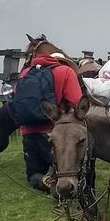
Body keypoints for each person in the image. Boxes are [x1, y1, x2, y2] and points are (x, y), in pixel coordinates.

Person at [14, 52, 83, 192]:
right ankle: (56, 181)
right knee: (65, 169)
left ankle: (41, 180)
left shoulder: (26, 72)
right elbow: (77, 102)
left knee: (33, 173)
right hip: (53, 135)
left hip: (28, 133)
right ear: (62, 61)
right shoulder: (65, 71)